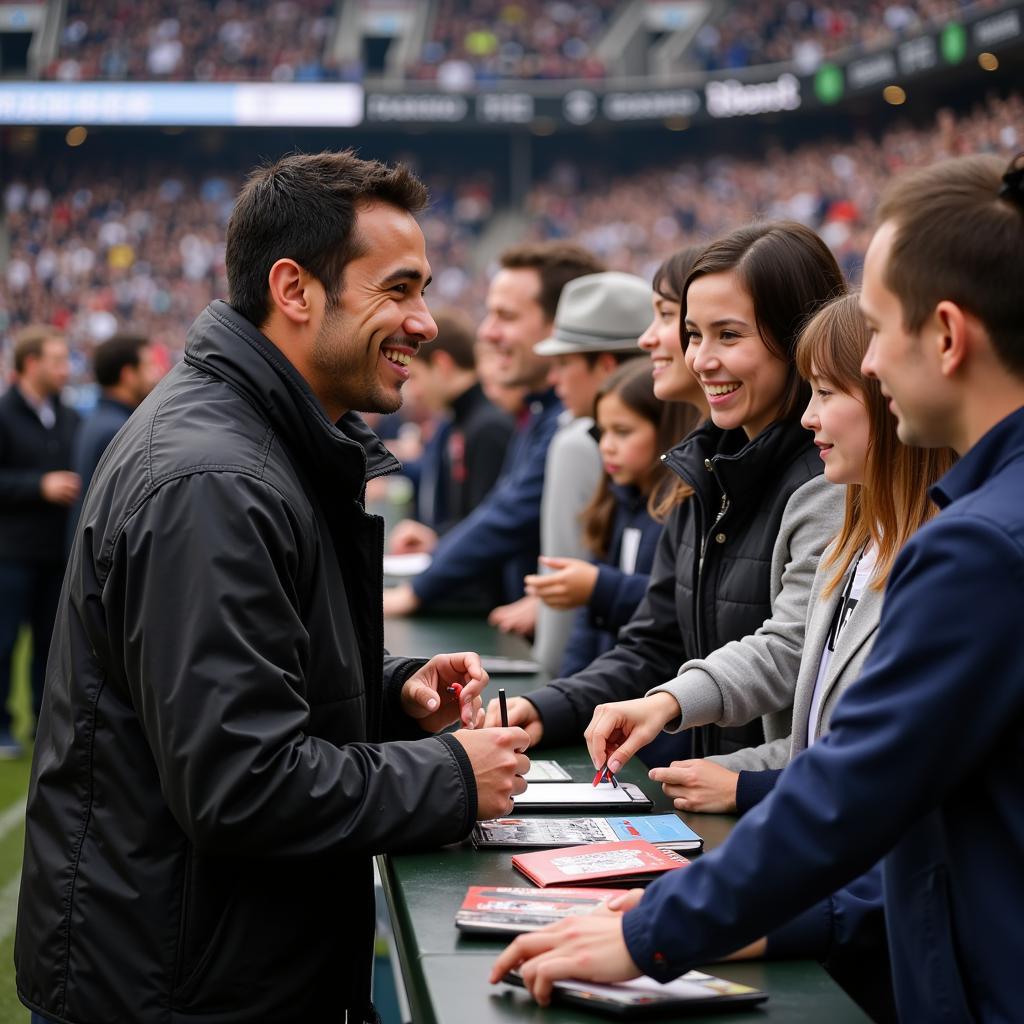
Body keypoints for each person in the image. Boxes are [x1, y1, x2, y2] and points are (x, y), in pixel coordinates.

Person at [491, 152, 1024, 1023]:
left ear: (950, 337)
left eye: (879, 330)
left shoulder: (976, 546)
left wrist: (649, 935)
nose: (872, 365)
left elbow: (850, 787)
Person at [15, 151, 532, 1024]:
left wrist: (388, 692)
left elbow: (235, 687)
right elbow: (241, 782)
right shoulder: (214, 479)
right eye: (398, 289)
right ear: (295, 290)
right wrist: (446, 774)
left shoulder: (257, 442)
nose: (427, 322)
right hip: (180, 992)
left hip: (209, 971)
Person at [487, 223, 845, 765]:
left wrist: (690, 725)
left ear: (797, 339)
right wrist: (552, 707)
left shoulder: (830, 479)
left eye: (729, 335)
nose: (699, 358)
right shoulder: (704, 472)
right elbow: (656, 641)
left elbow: (794, 650)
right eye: (694, 334)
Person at [586, 292, 955, 814]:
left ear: (890, 395)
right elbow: (811, 735)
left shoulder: (945, 559)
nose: (809, 417)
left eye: (826, 393)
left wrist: (744, 787)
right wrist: (674, 711)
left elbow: (887, 767)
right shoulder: (852, 541)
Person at [382, 242, 604, 618]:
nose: (487, 332)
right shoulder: (538, 414)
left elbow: (507, 517)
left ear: (560, 324)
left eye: (506, 316)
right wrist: (438, 547)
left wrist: (417, 591)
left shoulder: (569, 421)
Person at [512, 270, 652, 673]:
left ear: (606, 365)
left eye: (563, 362)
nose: (552, 378)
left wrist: (552, 681)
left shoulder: (578, 442)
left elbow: (570, 590)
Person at [528, 359, 700, 676]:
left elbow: (677, 608)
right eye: (601, 432)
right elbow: (586, 628)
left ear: (665, 431)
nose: (606, 446)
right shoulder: (616, 503)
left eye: (622, 432)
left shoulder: (682, 512)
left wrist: (599, 588)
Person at [0, 325, 79, 757]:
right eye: (57, 360)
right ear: (31, 364)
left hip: (56, 552)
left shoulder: (67, 415)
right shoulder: (5, 412)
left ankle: (42, 721)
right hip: (11, 553)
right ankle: (2, 726)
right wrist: (38, 486)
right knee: (4, 641)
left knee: (53, 645)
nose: (65, 369)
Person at [390, 307, 513, 543]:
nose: (413, 392)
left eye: (415, 377)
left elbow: (489, 527)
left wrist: (436, 537)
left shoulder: (489, 428)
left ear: (442, 364)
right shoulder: (455, 425)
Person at [67, 332, 164, 538]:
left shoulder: (97, 420)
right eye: (149, 366)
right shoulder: (120, 431)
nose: (157, 373)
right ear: (128, 374)